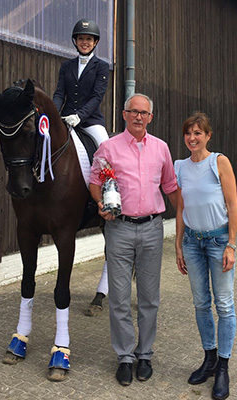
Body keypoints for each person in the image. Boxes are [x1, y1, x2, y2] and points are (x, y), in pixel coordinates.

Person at [88, 93, 179, 386]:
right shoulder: (108, 148)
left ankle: (145, 354)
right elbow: (95, 182)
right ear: (124, 115)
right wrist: (100, 204)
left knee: (150, 297)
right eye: (133, 111)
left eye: (144, 113)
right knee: (119, 296)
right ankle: (125, 356)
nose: (139, 116)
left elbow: (170, 186)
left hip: (152, 228)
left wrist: (189, 217)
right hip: (120, 229)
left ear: (150, 118)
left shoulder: (161, 149)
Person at [174, 112, 237, 400]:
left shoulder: (219, 162)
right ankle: (208, 359)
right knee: (201, 304)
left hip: (218, 241)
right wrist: (178, 244)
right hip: (192, 242)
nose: (192, 138)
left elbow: (232, 204)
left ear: (208, 136)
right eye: (189, 133)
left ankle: (223, 366)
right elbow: (179, 209)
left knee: (224, 304)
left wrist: (231, 245)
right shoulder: (180, 167)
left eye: (198, 133)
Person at [52, 18, 111, 315]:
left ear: (95, 43)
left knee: (107, 154)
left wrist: (79, 116)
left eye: (89, 39)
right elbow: (60, 93)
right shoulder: (65, 67)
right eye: (81, 38)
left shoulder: (102, 67)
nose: (85, 42)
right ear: (75, 41)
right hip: (65, 120)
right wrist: (55, 112)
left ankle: (111, 200)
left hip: (92, 122)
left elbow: (97, 97)